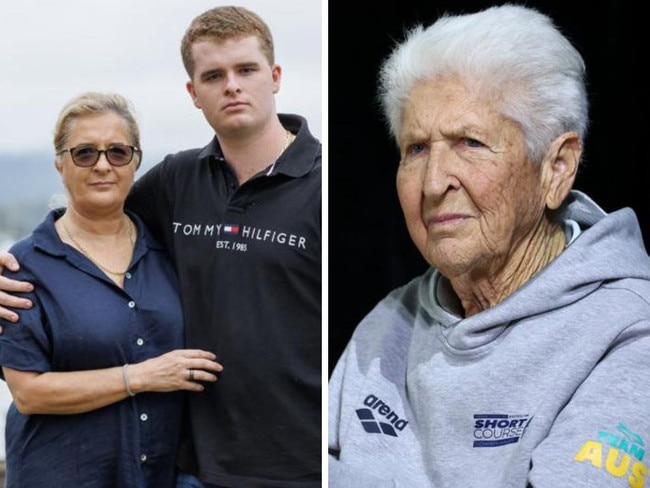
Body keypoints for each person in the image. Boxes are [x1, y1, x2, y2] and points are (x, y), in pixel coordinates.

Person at [328, 4, 650, 487]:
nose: (434, 183)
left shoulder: (628, 334)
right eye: (416, 149)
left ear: (556, 167)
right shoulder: (386, 326)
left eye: (470, 143)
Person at [0, 6, 322, 488]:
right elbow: (94, 210)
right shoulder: (176, 181)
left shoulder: (327, 186)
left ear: (274, 77)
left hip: (300, 464)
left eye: (246, 70)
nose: (231, 86)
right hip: (190, 466)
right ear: (193, 93)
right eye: (213, 75)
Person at [0, 92, 223, 487]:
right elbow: (30, 394)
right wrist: (142, 376)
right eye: (85, 153)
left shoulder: (166, 250)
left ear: (135, 161)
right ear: (60, 164)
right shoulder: (24, 266)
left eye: (117, 152)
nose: (102, 165)